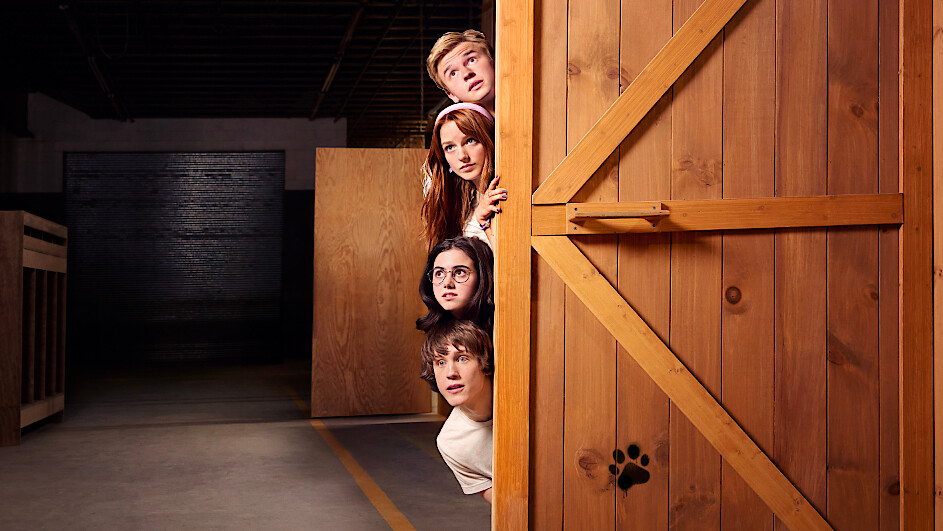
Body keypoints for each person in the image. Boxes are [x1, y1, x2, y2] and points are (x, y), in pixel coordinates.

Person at [419, 319, 494, 504]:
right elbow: (509, 507)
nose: (450, 372)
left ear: (483, 363)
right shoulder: (452, 444)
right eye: (440, 362)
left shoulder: (525, 402)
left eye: (462, 358)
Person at [420, 103, 506, 249]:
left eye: (470, 141)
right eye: (450, 147)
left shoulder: (502, 194)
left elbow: (514, 264)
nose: (462, 156)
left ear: (489, 140)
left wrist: (484, 223)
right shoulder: (458, 205)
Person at [417, 236, 494, 335]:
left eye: (459, 272)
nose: (447, 283)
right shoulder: (437, 338)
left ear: (482, 276)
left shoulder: (503, 324)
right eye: (439, 273)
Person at [426, 30, 495, 115]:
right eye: (453, 73)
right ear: (451, 95)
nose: (466, 74)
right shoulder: (452, 126)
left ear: (493, 62)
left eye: (471, 60)